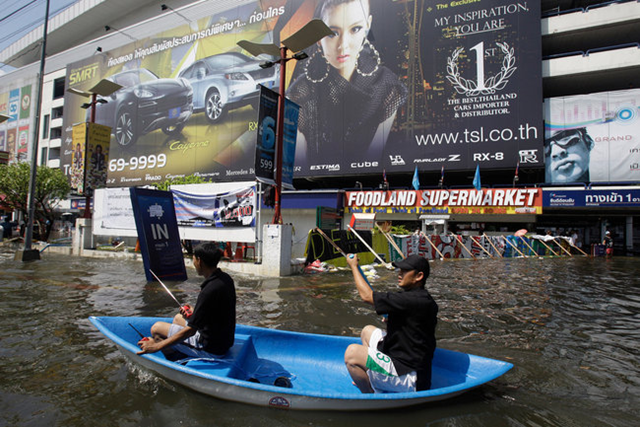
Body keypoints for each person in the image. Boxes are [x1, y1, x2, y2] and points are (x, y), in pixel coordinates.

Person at [287, 0, 407, 170]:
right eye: (332, 33)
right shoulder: (299, 95)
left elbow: (371, 164)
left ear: (367, 26)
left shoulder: (386, 87)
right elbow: (298, 169)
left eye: (355, 29)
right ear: (318, 38)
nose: (343, 45)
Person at [344, 254, 438, 393]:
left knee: (352, 353)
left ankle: (370, 393)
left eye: (405, 271)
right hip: (401, 357)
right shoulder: (420, 299)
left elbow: (367, 296)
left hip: (409, 377)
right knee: (367, 331)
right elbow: (414, 322)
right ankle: (371, 374)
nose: (400, 274)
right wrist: (394, 319)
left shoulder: (411, 299)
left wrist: (353, 266)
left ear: (419, 276)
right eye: (400, 270)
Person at [137, 243, 236, 357]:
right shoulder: (225, 279)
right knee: (178, 318)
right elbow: (216, 313)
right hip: (223, 340)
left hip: (211, 347)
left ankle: (175, 357)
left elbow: (191, 331)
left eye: (193, 258)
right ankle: (178, 348)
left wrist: (156, 346)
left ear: (199, 261)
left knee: (156, 328)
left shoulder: (208, 290)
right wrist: (195, 312)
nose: (193, 262)